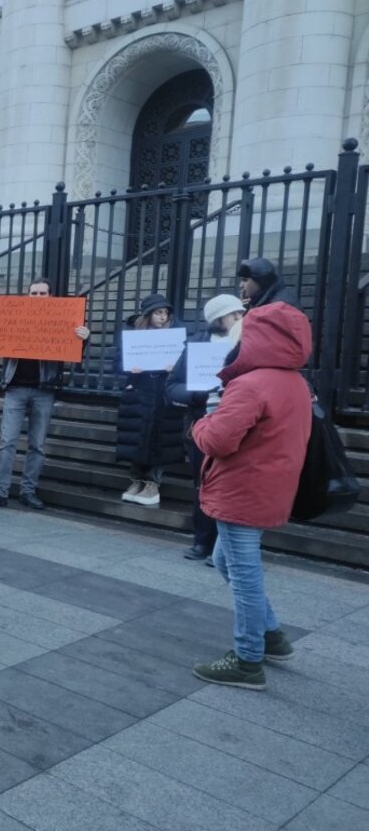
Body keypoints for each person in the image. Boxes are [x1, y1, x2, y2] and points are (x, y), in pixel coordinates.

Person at [191, 302, 312, 690]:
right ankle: (272, 636)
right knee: (223, 560)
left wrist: (201, 421)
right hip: (269, 487)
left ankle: (247, 659)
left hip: (242, 489)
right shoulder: (295, 381)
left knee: (244, 577)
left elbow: (217, 440)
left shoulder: (250, 384)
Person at [0, 278, 90, 510]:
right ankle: (0, 492)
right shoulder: (15, 316)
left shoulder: (61, 320)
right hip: (15, 389)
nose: (38, 297)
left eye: (43, 293)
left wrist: (83, 338)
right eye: (34, 293)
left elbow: (72, 351)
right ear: (28, 295)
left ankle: (28, 491)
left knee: (37, 444)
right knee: (7, 441)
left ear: (50, 296)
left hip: (44, 390)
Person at [165, 294, 245, 562]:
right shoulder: (196, 346)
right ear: (217, 319)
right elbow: (172, 386)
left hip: (237, 424)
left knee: (233, 486)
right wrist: (195, 395)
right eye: (234, 315)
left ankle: (225, 548)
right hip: (202, 424)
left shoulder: (248, 344)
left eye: (241, 314)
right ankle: (203, 541)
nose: (240, 320)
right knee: (203, 484)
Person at [115, 293, 185, 506]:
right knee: (138, 437)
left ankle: (153, 483)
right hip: (140, 392)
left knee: (159, 438)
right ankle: (137, 480)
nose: (163, 317)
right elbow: (116, 363)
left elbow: (185, 362)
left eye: (165, 312)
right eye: (158, 312)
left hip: (162, 392)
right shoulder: (133, 335)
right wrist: (130, 370)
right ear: (148, 314)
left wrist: (176, 368)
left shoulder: (175, 336)